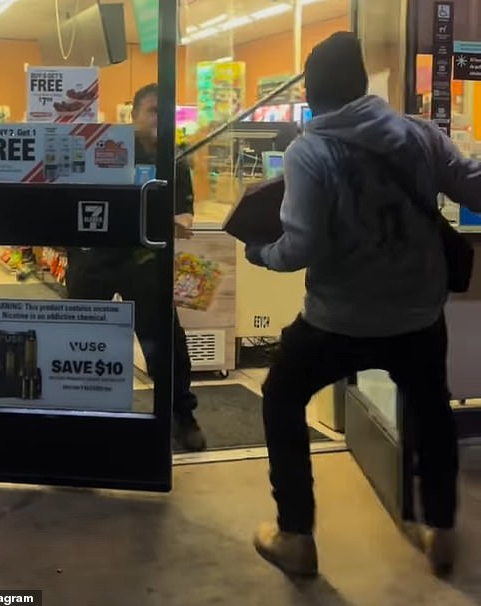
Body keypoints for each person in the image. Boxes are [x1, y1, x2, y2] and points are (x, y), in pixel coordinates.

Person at [245, 31, 481, 577]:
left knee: (281, 395)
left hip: (338, 318)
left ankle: (295, 535)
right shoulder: (418, 134)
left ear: (313, 95)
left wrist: (260, 254)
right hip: (418, 314)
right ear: (361, 87)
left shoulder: (310, 151)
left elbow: (298, 247)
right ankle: (442, 534)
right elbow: (472, 185)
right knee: (430, 410)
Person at [65, 83, 206, 452]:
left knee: (166, 344)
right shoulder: (102, 149)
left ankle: (180, 415)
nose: (160, 120)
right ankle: (77, 416)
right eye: (153, 111)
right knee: (81, 342)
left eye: (167, 113)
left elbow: (185, 209)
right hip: (94, 260)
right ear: (133, 116)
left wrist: (181, 224)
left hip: (145, 262)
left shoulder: (173, 158)